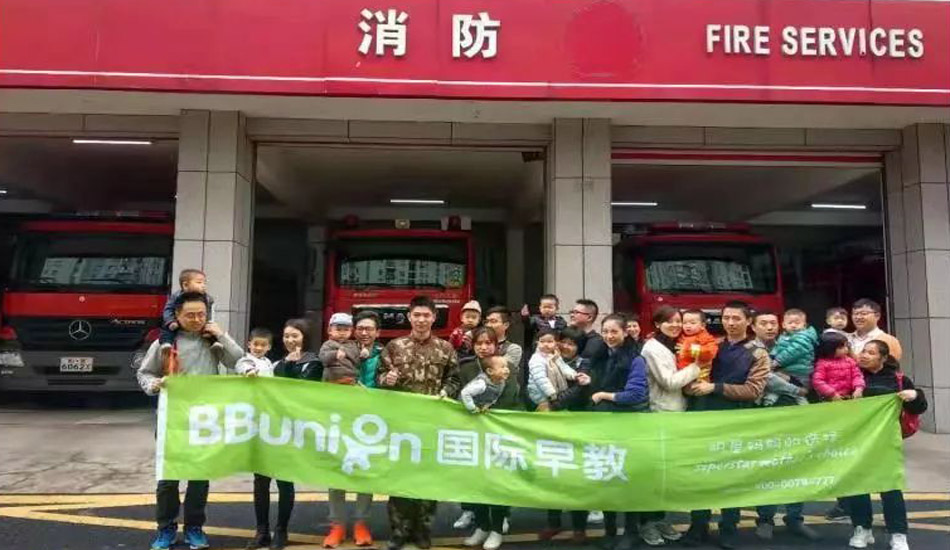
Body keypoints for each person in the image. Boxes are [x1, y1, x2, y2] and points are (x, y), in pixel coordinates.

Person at [136, 292, 243, 550]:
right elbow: (145, 372)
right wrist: (154, 384)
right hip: (173, 419)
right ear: (177, 315)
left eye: (201, 315)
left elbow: (238, 359)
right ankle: (166, 529)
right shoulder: (164, 343)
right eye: (190, 315)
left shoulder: (213, 342)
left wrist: (221, 335)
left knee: (199, 477)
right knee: (167, 479)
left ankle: (194, 528)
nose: (196, 320)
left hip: (205, 420)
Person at [377, 295, 461, 550]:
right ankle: (399, 531)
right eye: (417, 315)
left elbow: (454, 379)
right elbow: (380, 377)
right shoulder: (394, 347)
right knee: (400, 477)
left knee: (428, 477)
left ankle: (423, 530)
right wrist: (386, 380)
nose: (421, 320)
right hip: (401, 424)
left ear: (434, 317)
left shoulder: (445, 349)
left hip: (432, 423)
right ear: (409, 317)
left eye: (426, 315)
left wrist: (446, 392)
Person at [683, 301, 769, 550]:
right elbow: (693, 372)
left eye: (736, 318)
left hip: (736, 420)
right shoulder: (711, 346)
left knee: (732, 475)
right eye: (726, 318)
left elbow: (753, 390)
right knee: (701, 473)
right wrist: (689, 385)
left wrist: (715, 387)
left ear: (749, 321)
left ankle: (729, 528)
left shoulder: (758, 353)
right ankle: (698, 525)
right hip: (703, 416)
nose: (730, 323)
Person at [843, 340, 926, 550]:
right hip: (856, 440)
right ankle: (862, 528)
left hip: (886, 442)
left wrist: (914, 395)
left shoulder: (899, 379)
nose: (864, 355)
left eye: (871, 353)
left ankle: (898, 534)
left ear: (883, 358)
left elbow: (919, 407)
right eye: (863, 351)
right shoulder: (851, 376)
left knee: (890, 488)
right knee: (857, 486)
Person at [248, 319, 323, 550]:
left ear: (304, 338)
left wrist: (290, 366)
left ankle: (281, 530)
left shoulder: (313, 363)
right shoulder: (275, 364)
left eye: (295, 336)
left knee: (284, 481)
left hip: (291, 431)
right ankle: (261, 530)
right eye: (287, 336)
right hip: (267, 428)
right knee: (261, 481)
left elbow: (299, 393)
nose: (290, 340)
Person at [748, 310, 820, 543]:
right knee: (767, 468)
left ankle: (795, 518)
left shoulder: (789, 343)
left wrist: (792, 381)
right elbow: (764, 378)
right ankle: (765, 519)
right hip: (766, 414)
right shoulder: (750, 349)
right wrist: (795, 388)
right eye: (763, 323)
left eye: (773, 323)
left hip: (796, 414)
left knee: (796, 465)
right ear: (753, 326)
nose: (770, 327)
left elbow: (810, 370)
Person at [589, 314, 649, 550]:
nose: (609, 336)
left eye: (614, 331)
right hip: (605, 426)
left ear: (626, 332)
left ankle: (631, 531)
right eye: (605, 331)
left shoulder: (636, 359)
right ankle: (610, 531)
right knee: (607, 477)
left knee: (628, 479)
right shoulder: (601, 355)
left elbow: (635, 394)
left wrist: (604, 395)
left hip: (630, 426)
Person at [639, 306, 699, 546]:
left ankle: (660, 519)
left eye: (678, 321)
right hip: (660, 414)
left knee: (666, 475)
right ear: (657, 324)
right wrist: (696, 368)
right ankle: (646, 523)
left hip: (674, 414)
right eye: (669, 321)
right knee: (654, 473)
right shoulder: (652, 348)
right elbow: (669, 382)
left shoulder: (674, 345)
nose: (675, 325)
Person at [455, 327, 521, 534]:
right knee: (475, 477)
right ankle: (480, 523)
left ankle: (500, 521)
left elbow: (511, 395)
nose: (483, 347)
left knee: (499, 476)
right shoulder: (465, 367)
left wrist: (490, 414)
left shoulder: (507, 366)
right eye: (479, 343)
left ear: (496, 345)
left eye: (488, 343)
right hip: (473, 429)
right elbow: (459, 393)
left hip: (498, 428)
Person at [323, 312, 375, 548]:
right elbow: (324, 360)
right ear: (329, 330)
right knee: (336, 468)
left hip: (367, 418)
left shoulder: (379, 353)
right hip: (335, 412)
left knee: (365, 468)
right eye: (338, 328)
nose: (364, 333)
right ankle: (337, 525)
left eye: (347, 328)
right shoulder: (328, 347)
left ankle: (361, 523)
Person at [538, 326, 593, 544]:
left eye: (572, 344)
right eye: (564, 342)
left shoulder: (584, 364)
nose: (566, 347)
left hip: (578, 424)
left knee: (578, 478)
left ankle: (580, 527)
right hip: (553, 426)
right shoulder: (547, 359)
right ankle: (553, 522)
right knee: (553, 474)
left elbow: (579, 390)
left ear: (579, 348)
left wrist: (554, 403)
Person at [459, 354, 514, 550]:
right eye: (502, 367)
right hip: (474, 435)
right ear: (490, 371)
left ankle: (496, 530)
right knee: (476, 484)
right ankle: (482, 527)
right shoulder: (481, 383)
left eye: (507, 366)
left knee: (497, 484)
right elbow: (465, 394)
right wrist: (474, 410)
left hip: (496, 437)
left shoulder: (506, 383)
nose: (507, 370)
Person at [760, 308, 815, 407]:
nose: (793, 325)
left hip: (799, 373)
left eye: (797, 323)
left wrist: (776, 362)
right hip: (787, 371)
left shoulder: (804, 337)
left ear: (804, 325)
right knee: (776, 388)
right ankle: (769, 401)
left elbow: (792, 352)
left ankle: (805, 405)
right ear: (784, 325)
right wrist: (771, 357)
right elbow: (777, 348)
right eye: (790, 323)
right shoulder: (784, 336)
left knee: (798, 395)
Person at [159, 269, 218, 360]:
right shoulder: (176, 296)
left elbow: (209, 311)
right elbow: (168, 309)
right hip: (175, 323)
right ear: (185, 285)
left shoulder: (207, 298)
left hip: (203, 327)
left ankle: (214, 343)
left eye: (204, 283)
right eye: (199, 282)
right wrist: (171, 321)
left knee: (211, 330)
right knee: (167, 330)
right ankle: (166, 343)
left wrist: (208, 322)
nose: (203, 285)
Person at [526, 329, 578, 411]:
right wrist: (551, 393)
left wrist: (574, 375)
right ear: (537, 343)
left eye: (550, 341)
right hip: (541, 395)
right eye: (542, 341)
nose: (545, 344)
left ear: (556, 343)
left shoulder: (555, 356)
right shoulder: (536, 359)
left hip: (555, 394)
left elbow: (563, 367)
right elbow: (540, 378)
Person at [813, 331, 865, 402]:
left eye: (846, 345)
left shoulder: (850, 361)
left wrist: (859, 388)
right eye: (841, 347)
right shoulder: (822, 364)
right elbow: (818, 381)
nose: (846, 349)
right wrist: (832, 394)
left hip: (850, 396)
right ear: (829, 349)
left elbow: (857, 376)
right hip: (829, 399)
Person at [676, 309, 718, 383]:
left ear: (703, 326)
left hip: (699, 378)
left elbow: (710, 352)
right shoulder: (680, 335)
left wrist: (689, 349)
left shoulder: (706, 338)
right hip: (681, 375)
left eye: (693, 323)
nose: (688, 326)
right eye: (684, 323)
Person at [319, 313, 362, 384]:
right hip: (333, 379)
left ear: (351, 331)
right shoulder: (328, 344)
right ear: (330, 331)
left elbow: (357, 360)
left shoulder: (353, 344)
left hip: (351, 379)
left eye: (346, 330)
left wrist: (363, 353)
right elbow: (322, 358)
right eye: (338, 330)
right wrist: (334, 354)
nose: (342, 333)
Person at [484, 306, 523, 373]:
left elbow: (499, 371)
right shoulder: (478, 344)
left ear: (506, 325)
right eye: (486, 322)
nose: (488, 325)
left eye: (493, 321)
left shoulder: (513, 349)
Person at [355, 311, 383, 388]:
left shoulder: (384, 354)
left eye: (369, 329)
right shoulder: (345, 351)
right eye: (360, 329)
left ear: (377, 332)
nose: (364, 333)